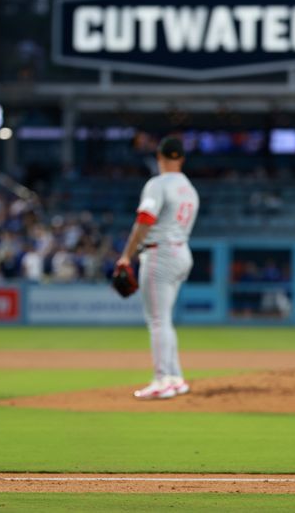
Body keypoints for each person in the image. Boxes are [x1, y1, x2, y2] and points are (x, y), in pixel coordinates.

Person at [116, 137, 199, 400]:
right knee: (165, 319)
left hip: (159, 253)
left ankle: (162, 380)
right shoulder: (190, 189)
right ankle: (175, 378)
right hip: (182, 251)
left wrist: (126, 256)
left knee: (158, 320)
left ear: (159, 157)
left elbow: (145, 218)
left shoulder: (157, 184)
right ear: (182, 159)